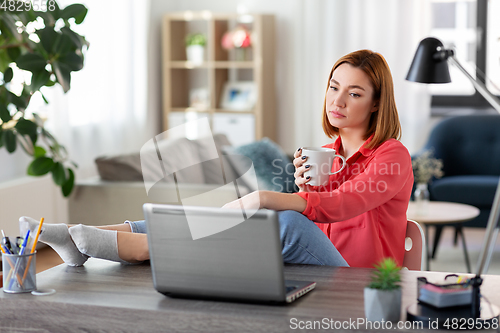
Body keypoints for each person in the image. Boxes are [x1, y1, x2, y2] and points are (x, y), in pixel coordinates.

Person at [20, 49, 413, 268]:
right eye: (333, 87)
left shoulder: (392, 155)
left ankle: (141, 249)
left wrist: (267, 198)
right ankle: (78, 235)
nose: (337, 101)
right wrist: (304, 185)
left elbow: (344, 205)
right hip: (317, 268)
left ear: (377, 103)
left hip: (362, 281)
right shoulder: (327, 153)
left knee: (285, 222)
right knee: (216, 215)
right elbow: (319, 215)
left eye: (355, 93)